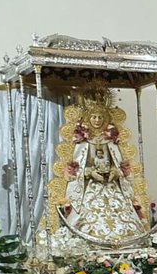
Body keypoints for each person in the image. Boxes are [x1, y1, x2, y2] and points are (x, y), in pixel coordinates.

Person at [61, 98, 147, 241]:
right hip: (89, 187)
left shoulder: (111, 141)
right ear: (88, 118)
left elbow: (118, 162)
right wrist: (89, 172)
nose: (97, 120)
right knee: (86, 218)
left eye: (100, 117)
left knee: (125, 216)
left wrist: (115, 172)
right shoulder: (83, 142)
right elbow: (77, 166)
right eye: (94, 117)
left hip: (112, 186)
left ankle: (127, 240)